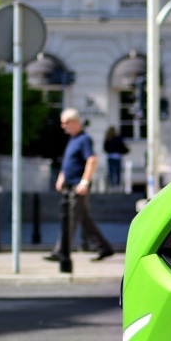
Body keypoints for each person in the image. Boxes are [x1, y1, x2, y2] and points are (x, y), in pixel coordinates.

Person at [45, 109, 115, 262]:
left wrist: (84, 182)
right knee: (84, 220)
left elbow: (92, 160)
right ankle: (104, 247)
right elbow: (69, 162)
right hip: (70, 185)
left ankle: (61, 251)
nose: (63, 126)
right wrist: (61, 177)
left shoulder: (84, 139)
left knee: (69, 218)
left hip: (77, 186)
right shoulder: (73, 139)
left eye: (65, 123)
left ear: (75, 122)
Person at [103, 126, 128, 190]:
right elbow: (122, 147)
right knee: (118, 172)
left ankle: (112, 185)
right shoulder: (117, 138)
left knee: (111, 172)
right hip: (117, 157)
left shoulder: (108, 138)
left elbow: (105, 148)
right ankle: (117, 184)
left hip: (110, 156)